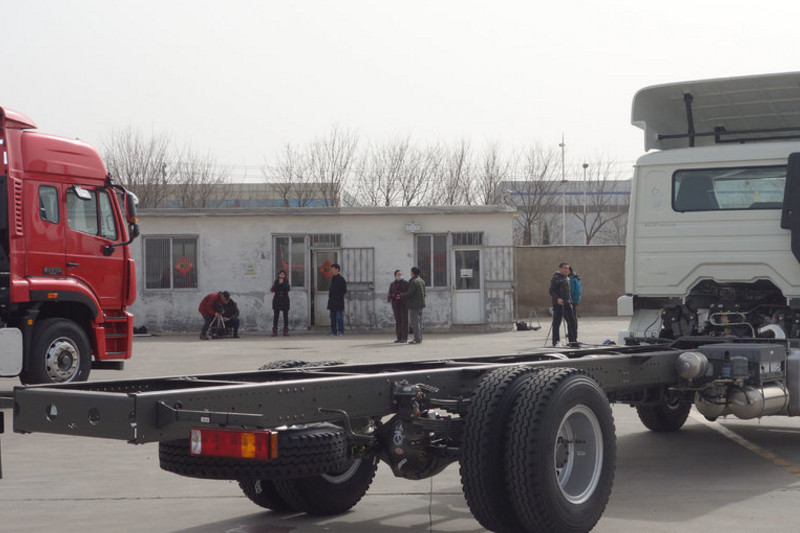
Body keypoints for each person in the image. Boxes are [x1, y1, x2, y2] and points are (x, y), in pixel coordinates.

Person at [549, 262, 578, 348]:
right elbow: (552, 291)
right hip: (559, 304)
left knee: (572, 322)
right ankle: (556, 341)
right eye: (564, 268)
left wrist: (571, 302)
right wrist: (557, 298)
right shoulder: (556, 278)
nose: (566, 270)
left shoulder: (567, 278)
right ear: (560, 269)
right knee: (557, 323)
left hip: (567, 303)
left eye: (567, 268)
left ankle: (573, 341)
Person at [401, 266, 426, 344]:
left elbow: (410, 293)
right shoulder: (422, 281)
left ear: (412, 273)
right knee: (419, 322)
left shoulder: (413, 281)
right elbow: (424, 293)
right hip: (421, 304)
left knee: (415, 322)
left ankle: (417, 339)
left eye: (411, 272)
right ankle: (420, 337)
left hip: (414, 304)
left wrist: (401, 295)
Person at [387, 269, 409, 343]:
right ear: (395, 276)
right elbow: (389, 293)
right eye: (398, 274)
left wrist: (401, 296)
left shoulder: (406, 283)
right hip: (395, 305)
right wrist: (391, 298)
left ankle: (404, 338)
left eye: (401, 274)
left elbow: (408, 293)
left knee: (404, 321)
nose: (400, 275)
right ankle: (399, 337)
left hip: (404, 304)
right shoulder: (392, 284)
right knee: (398, 321)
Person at [327, 263, 347, 336]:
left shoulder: (341, 279)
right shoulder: (333, 278)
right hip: (332, 302)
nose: (331, 271)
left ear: (337, 270)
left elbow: (344, 291)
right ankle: (333, 331)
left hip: (338, 302)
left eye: (332, 269)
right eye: (331, 269)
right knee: (332, 317)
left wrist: (338, 296)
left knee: (339, 317)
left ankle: (341, 331)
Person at [271, 270, 291, 336]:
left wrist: (282, 283)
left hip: (285, 300)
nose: (282, 275)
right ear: (279, 275)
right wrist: (279, 283)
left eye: (283, 274)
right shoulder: (276, 282)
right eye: (281, 274)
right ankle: (274, 331)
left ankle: (285, 331)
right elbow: (274, 289)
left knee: (285, 316)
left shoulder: (286, 282)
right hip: (277, 300)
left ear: (285, 276)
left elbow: (287, 289)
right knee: (276, 316)